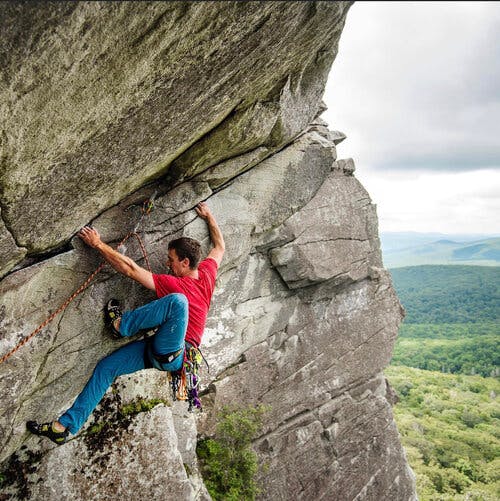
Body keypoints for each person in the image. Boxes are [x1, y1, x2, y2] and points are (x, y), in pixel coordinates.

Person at [27, 201, 224, 444]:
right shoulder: (207, 273)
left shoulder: (177, 285)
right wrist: (209, 216)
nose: (167, 264)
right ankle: (63, 427)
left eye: (171, 259)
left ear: (185, 262)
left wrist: (98, 244)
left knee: (178, 302)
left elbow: (130, 269)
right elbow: (219, 246)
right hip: (159, 351)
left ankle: (122, 325)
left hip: (177, 352)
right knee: (106, 368)